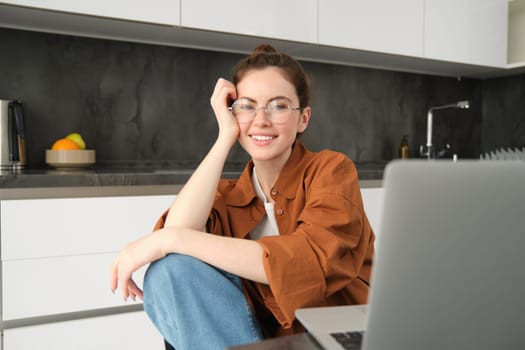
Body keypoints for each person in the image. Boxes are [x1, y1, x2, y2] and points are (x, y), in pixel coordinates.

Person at [110, 44, 375, 350]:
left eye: (278, 106)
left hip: (331, 342)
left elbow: (311, 261)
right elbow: (176, 264)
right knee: (169, 271)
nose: (261, 120)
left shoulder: (331, 171)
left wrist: (170, 239)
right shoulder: (227, 196)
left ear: (303, 118)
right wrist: (225, 137)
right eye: (247, 106)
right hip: (251, 342)